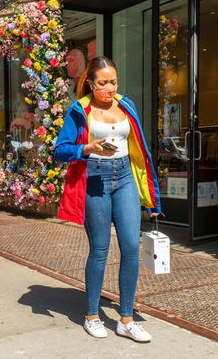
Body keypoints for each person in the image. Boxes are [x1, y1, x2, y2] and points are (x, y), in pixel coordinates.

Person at [54, 56, 161, 343]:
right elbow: (60, 150)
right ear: (90, 82)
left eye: (113, 81)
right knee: (100, 249)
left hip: (125, 177)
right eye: (102, 83)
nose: (110, 88)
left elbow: (140, 147)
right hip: (95, 179)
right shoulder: (79, 110)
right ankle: (92, 315)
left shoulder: (126, 105)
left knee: (130, 246)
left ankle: (126, 319)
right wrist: (86, 148)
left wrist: (151, 196)